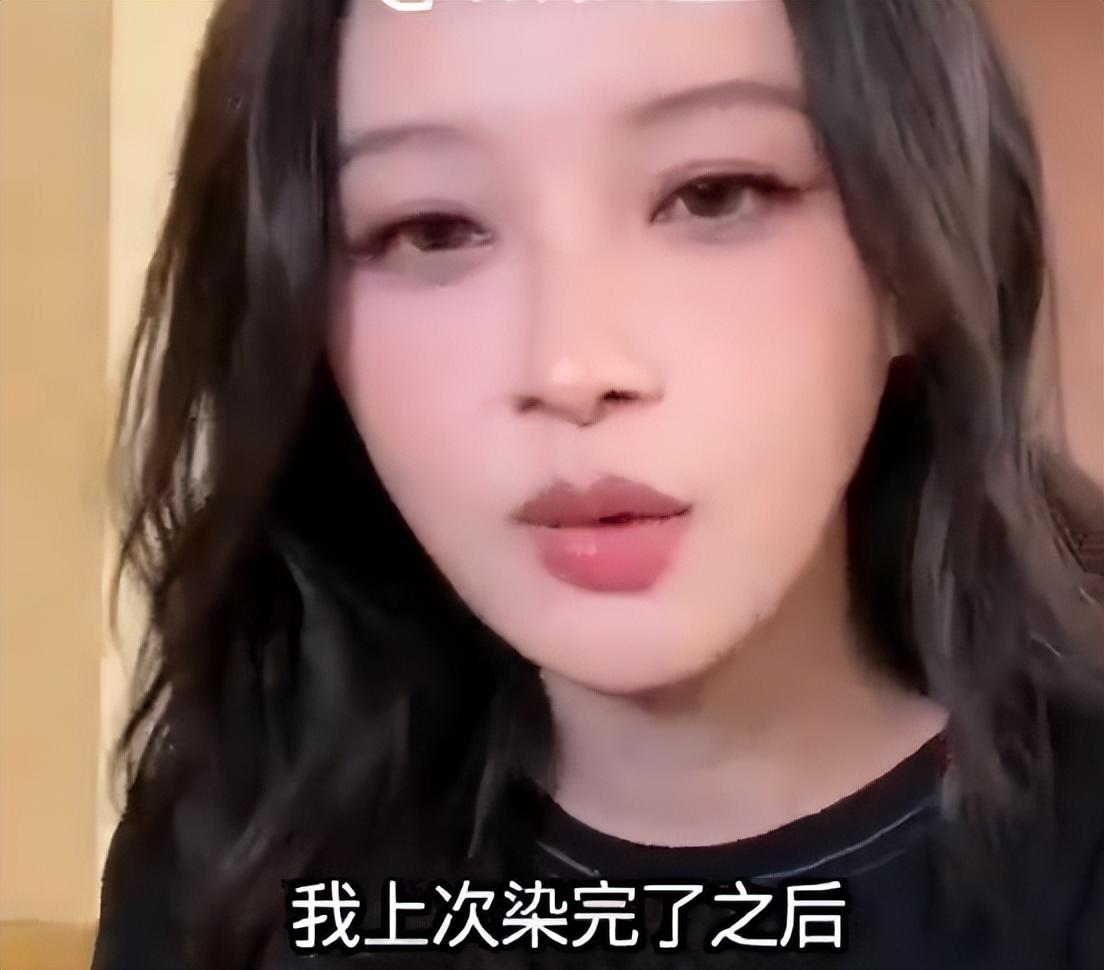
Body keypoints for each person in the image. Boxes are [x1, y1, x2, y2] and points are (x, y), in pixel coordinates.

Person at [91, 1, 1104, 968]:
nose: (570, 367)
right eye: (433, 229)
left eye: (715, 194)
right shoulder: (239, 842)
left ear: (912, 263)